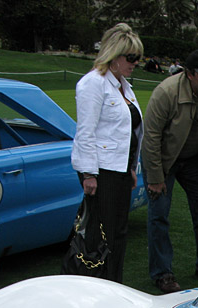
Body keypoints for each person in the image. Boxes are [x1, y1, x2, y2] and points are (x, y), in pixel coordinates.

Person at [142, 49, 198, 293]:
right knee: (159, 213)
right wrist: (156, 177)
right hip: (163, 157)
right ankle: (162, 273)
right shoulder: (166, 93)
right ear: (189, 74)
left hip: (195, 159)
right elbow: (151, 138)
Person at [70, 23, 144, 283]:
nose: (135, 63)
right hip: (102, 172)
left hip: (120, 171)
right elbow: (85, 132)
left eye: (138, 58)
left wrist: (132, 168)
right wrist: (89, 173)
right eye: (131, 57)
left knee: (118, 234)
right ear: (114, 55)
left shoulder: (123, 86)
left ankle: (113, 283)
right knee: (100, 234)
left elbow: (129, 133)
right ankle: (92, 284)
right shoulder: (93, 84)